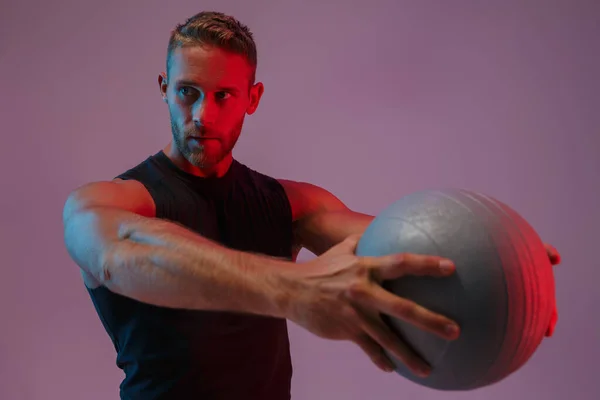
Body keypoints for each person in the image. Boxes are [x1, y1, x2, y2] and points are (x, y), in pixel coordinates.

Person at [61, 10, 561, 400]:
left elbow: (401, 245)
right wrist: (293, 288)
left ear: (252, 98)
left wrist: (508, 263)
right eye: (187, 93)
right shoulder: (111, 202)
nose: (202, 114)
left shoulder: (290, 204)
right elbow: (118, 252)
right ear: (165, 89)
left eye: (224, 96)